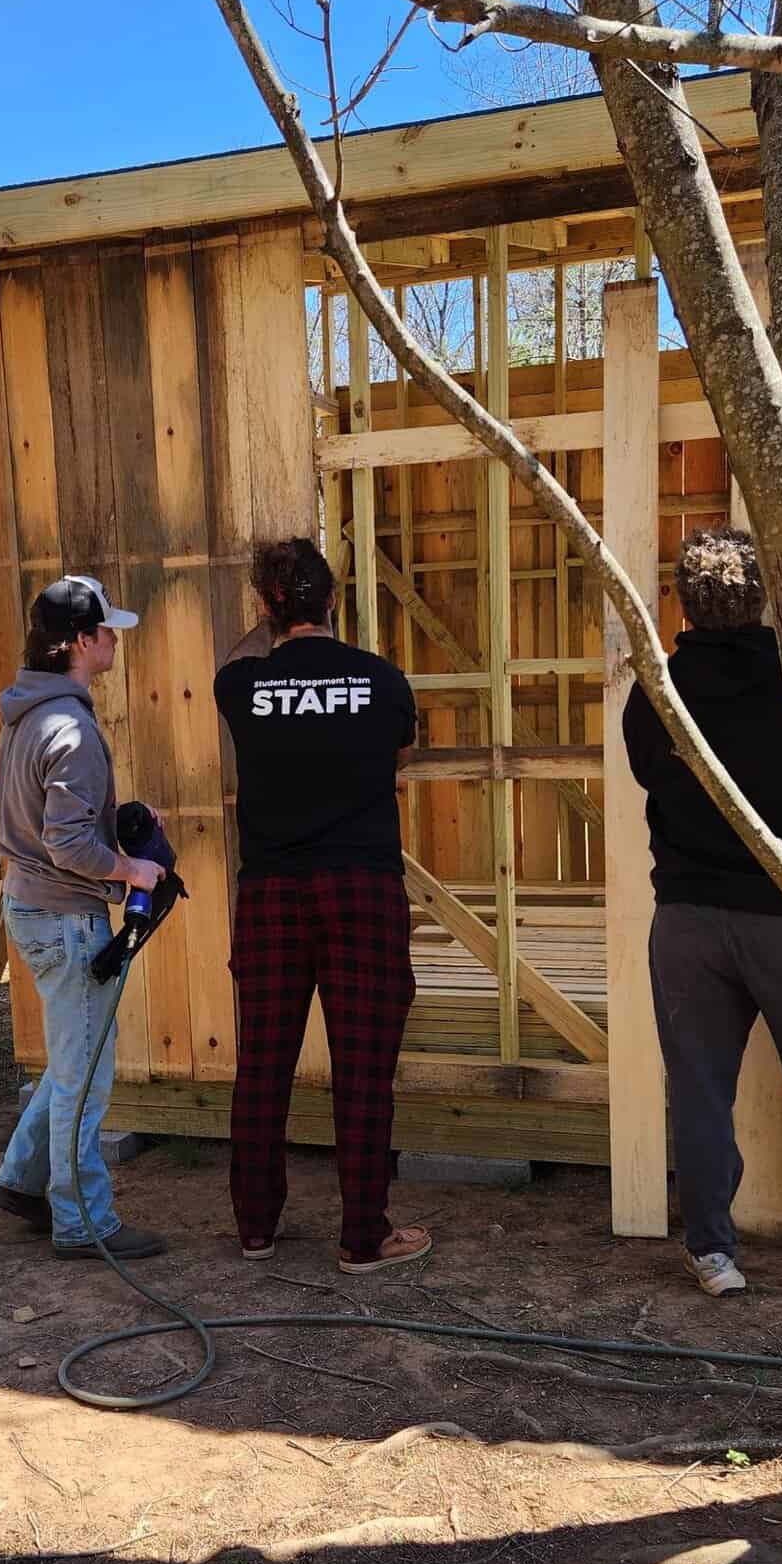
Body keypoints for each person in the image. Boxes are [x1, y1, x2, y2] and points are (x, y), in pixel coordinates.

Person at [621, 527, 782, 1297]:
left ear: (684, 602)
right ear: (762, 596)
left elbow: (648, 776)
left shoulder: (658, 690)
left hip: (689, 919)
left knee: (699, 1087)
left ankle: (713, 1254)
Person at [214, 537, 432, 1275]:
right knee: (363, 1068)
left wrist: (276, 623)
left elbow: (238, 661)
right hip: (362, 889)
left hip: (271, 891)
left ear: (267, 607)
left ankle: (255, 1228)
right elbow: (398, 760)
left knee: (265, 1063)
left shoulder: (242, 684)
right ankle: (362, 1237)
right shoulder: (383, 680)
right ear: (333, 600)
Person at [0, 573, 169, 1260]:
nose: (115, 641)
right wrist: (130, 869)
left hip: (33, 909)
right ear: (81, 642)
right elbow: (66, 842)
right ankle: (82, 1222)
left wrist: (115, 826)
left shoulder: (31, 715)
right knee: (87, 1078)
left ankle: (20, 1179)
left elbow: (52, 825)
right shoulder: (72, 729)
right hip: (67, 920)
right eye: (108, 632)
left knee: (69, 1065)